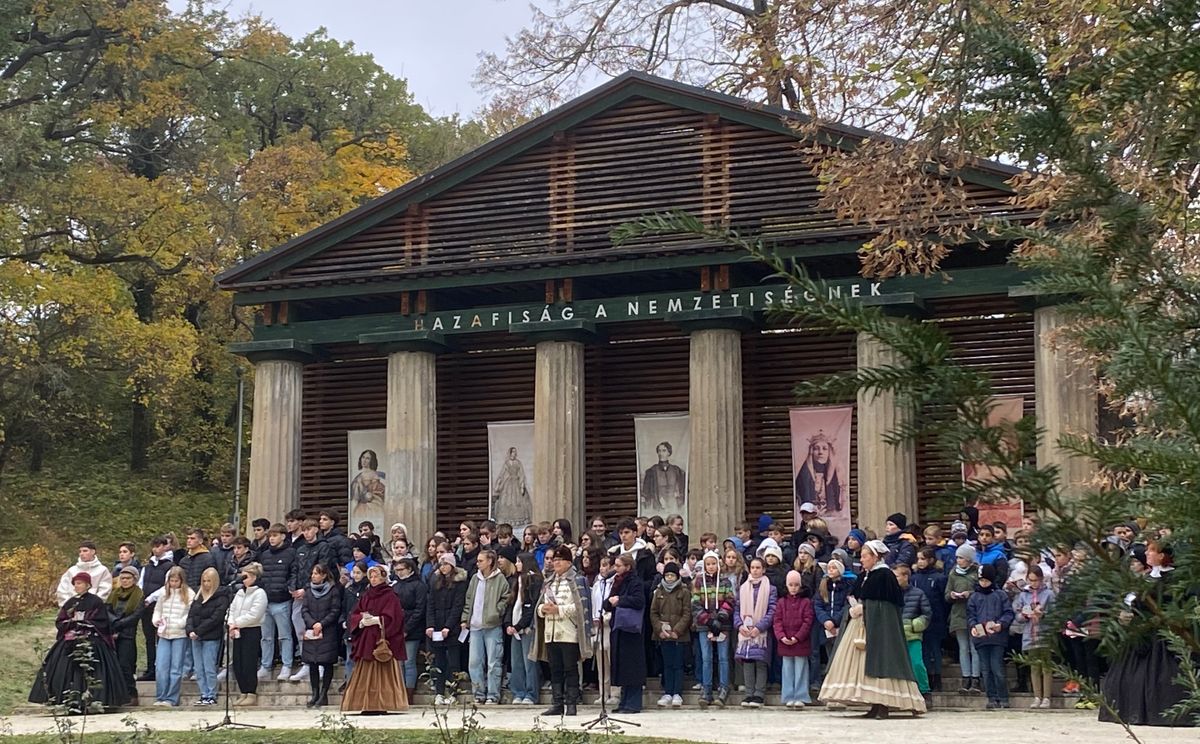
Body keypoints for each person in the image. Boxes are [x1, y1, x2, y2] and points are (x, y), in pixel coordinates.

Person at [819, 540, 926, 719]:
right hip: (862, 625)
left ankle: (884, 704)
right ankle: (874, 704)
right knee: (863, 665)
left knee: (883, 661)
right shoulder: (865, 575)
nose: (861, 560)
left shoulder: (885, 575)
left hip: (881, 628)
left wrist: (866, 607)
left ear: (875, 556)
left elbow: (888, 606)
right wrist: (855, 607)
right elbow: (859, 596)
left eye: (865, 556)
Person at [1099, 540, 1196, 726]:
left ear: (1162, 556)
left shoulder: (1174, 579)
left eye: (1152, 551)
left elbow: (1176, 605)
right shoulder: (1145, 578)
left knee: (1163, 677)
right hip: (1140, 631)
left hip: (1163, 635)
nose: (1147, 554)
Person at [30, 572, 128, 713]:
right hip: (70, 640)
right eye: (75, 583)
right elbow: (60, 620)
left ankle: (96, 701)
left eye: (80, 583)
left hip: (91, 639)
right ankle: (65, 700)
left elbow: (101, 621)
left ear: (88, 585)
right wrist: (71, 623)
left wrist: (84, 622)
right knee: (63, 665)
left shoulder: (96, 601)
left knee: (93, 667)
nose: (77, 586)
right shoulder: (70, 602)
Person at [532, 545, 594, 717]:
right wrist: (542, 610)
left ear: (568, 562)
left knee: (570, 669)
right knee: (555, 670)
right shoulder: (549, 581)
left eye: (559, 560)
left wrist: (558, 610)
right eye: (554, 560)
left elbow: (580, 607)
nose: (556, 563)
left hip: (568, 632)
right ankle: (557, 703)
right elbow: (539, 607)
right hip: (551, 633)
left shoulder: (578, 581)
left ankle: (571, 703)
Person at [343, 563, 408, 714]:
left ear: (383, 577)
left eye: (376, 576)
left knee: (384, 671)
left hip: (382, 640)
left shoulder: (390, 595)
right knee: (365, 670)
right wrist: (361, 620)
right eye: (371, 576)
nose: (373, 579)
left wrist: (379, 620)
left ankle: (385, 703)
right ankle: (365, 703)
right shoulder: (367, 595)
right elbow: (355, 613)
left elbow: (395, 618)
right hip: (367, 638)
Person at [461, 549, 511, 704]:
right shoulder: (475, 579)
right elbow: (469, 600)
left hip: (492, 625)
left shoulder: (500, 579)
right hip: (475, 626)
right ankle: (478, 693)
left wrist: (496, 612)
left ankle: (493, 694)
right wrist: (465, 618)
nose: (478, 563)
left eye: (481, 560)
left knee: (493, 662)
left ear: (490, 561)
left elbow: (505, 597)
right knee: (474, 662)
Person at [967, 564, 1015, 710]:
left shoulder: (1000, 595)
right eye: (981, 581)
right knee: (985, 670)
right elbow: (970, 616)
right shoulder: (974, 597)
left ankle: (1003, 697)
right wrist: (973, 626)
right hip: (981, 639)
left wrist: (1001, 624)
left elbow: (1008, 613)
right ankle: (991, 697)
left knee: (997, 668)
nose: (984, 583)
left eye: (987, 581)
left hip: (997, 638)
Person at [606, 552, 647, 714]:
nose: (615, 569)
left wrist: (620, 600)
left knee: (632, 666)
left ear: (628, 567)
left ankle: (634, 702)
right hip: (618, 627)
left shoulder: (635, 582)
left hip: (631, 630)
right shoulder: (616, 582)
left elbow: (638, 601)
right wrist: (608, 602)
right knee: (622, 666)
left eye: (618, 566)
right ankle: (624, 701)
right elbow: (609, 602)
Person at [257, 523, 299, 682]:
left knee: (284, 635)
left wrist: (289, 587)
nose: (272, 539)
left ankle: (286, 664)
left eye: (275, 535)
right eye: (270, 536)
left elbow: (294, 572)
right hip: (266, 600)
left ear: (282, 536)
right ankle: (265, 665)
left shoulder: (290, 553)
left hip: (282, 600)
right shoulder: (265, 554)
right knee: (266, 636)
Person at [692, 550, 733, 708]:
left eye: (713, 563)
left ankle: (723, 688)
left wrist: (722, 616)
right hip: (705, 625)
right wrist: (707, 620)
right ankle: (706, 690)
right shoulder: (698, 581)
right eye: (708, 564)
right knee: (706, 658)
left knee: (723, 658)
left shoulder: (725, 581)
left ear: (718, 564)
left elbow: (730, 600)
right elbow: (695, 603)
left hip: (723, 625)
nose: (711, 567)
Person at [735, 557, 777, 708]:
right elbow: (737, 609)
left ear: (763, 569)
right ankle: (748, 693)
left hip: (761, 633)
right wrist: (740, 625)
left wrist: (759, 627)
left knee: (760, 662)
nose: (755, 570)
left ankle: (759, 694)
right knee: (747, 662)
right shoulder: (743, 588)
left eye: (758, 567)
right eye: (752, 567)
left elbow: (772, 611)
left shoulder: (770, 588)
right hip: (745, 632)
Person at [426, 552, 468, 705]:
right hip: (437, 625)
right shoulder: (435, 581)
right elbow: (430, 604)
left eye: (446, 564)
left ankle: (453, 691)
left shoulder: (460, 582)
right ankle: (439, 692)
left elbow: (458, 606)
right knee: (439, 661)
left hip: (452, 627)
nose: (443, 567)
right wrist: (430, 625)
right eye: (441, 564)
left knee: (453, 661)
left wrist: (448, 627)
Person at [1012, 564, 1055, 708]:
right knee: (1034, 667)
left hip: (1044, 634)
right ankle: (1037, 696)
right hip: (1029, 634)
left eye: (1036, 580)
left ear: (1041, 579)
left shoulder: (1049, 594)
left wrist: (1043, 615)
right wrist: (1025, 615)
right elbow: (1018, 616)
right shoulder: (1024, 595)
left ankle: (1047, 697)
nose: (1033, 583)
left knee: (1046, 667)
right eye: (1030, 580)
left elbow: (1055, 615)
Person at [186, 567, 231, 707]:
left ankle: (211, 694)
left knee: (209, 667)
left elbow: (215, 618)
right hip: (196, 637)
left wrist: (199, 631)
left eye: (209, 581)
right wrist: (190, 630)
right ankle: (203, 693)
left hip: (210, 636)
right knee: (199, 668)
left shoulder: (221, 597)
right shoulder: (198, 596)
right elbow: (191, 616)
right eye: (204, 581)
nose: (206, 584)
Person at [301, 563, 343, 708]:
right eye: (312, 573)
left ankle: (324, 694)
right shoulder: (308, 591)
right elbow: (304, 609)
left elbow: (335, 610)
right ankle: (315, 693)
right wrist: (312, 624)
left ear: (324, 575)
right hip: (312, 630)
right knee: (312, 662)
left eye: (317, 573)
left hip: (327, 630)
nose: (313, 576)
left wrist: (321, 624)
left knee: (326, 662)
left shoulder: (333, 590)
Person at [649, 561, 690, 708]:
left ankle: (677, 693)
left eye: (672, 575)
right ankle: (667, 692)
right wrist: (660, 630)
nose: (670, 578)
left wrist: (677, 630)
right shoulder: (659, 591)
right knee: (667, 664)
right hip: (664, 634)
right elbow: (653, 613)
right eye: (667, 575)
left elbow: (687, 613)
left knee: (678, 664)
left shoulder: (683, 591)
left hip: (679, 635)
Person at [227, 562, 268, 707]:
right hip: (237, 630)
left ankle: (251, 692)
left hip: (251, 630)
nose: (244, 579)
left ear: (255, 577)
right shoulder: (239, 593)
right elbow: (231, 609)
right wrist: (231, 623)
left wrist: (237, 623)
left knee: (248, 662)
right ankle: (243, 691)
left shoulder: (259, 593)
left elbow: (255, 615)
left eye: (247, 576)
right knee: (237, 662)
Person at [774, 569, 815, 709]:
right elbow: (777, 621)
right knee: (787, 669)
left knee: (801, 668)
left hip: (800, 641)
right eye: (790, 585)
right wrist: (782, 636)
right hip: (785, 641)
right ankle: (788, 695)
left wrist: (797, 637)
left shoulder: (806, 602)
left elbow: (807, 621)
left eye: (796, 585)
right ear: (786, 585)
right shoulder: (781, 602)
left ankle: (801, 695)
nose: (793, 588)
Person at [151, 566, 192, 707]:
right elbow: (158, 609)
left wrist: (180, 623)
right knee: (161, 666)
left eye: (176, 581)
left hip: (179, 634)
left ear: (182, 581)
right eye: (171, 581)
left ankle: (171, 698)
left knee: (176, 668)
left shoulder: (189, 594)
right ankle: (161, 696)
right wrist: (156, 620)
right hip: (164, 634)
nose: (173, 584)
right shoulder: (164, 593)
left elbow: (190, 613)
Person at [911, 547, 949, 692]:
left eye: (923, 559)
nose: (920, 562)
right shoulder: (914, 578)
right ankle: (926, 677)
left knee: (935, 649)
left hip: (936, 619)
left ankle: (937, 677)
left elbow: (943, 600)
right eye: (918, 559)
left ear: (931, 560)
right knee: (924, 651)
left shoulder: (939, 578)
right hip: (919, 619)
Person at [507, 552, 543, 705]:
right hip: (515, 628)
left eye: (519, 561)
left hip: (527, 627)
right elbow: (513, 603)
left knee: (529, 662)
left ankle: (531, 693)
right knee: (517, 662)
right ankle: (518, 691)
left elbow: (530, 606)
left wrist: (520, 625)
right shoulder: (517, 580)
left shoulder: (534, 580)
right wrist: (509, 624)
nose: (517, 564)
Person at [946, 542, 982, 694]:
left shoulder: (977, 572)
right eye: (957, 557)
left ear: (969, 559)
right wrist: (952, 595)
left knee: (974, 648)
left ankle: (976, 678)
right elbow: (946, 594)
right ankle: (965, 677)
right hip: (958, 613)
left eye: (961, 558)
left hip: (974, 613)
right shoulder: (953, 573)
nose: (958, 560)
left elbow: (981, 591)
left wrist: (970, 594)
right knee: (963, 648)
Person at [894, 564, 932, 703]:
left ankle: (924, 691)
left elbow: (927, 614)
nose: (895, 579)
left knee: (916, 664)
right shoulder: (891, 594)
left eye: (897, 576)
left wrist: (915, 625)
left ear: (905, 577)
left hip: (912, 636)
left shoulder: (918, 593)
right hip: (895, 636)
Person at [137, 536, 173, 681]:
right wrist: (141, 597)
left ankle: (162, 669)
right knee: (149, 639)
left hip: (161, 606)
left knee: (161, 638)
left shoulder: (170, 566)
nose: (155, 549)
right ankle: (150, 668)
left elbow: (166, 586)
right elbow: (141, 582)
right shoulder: (148, 566)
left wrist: (151, 597)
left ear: (165, 547)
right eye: (154, 546)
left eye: (159, 546)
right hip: (146, 607)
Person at [107, 566, 144, 705]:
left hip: (127, 634)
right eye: (122, 578)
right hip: (113, 633)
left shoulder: (138, 594)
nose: (125, 581)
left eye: (128, 578)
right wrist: (114, 622)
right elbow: (107, 610)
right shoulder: (114, 593)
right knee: (114, 665)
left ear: (134, 579)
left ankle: (131, 695)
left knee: (125, 665)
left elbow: (136, 615)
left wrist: (120, 623)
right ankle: (117, 695)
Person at [390, 557, 427, 691]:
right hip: (396, 628)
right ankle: (399, 690)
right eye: (397, 570)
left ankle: (409, 691)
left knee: (409, 661)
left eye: (402, 569)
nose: (399, 572)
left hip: (413, 628)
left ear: (410, 569)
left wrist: (407, 628)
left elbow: (420, 609)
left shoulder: (419, 585)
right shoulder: (395, 586)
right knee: (398, 662)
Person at [590, 553, 617, 706]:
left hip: (610, 624)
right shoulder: (597, 583)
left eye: (606, 565)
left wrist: (606, 618)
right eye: (601, 565)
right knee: (601, 661)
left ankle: (614, 692)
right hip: (597, 625)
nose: (603, 568)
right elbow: (594, 603)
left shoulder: (614, 582)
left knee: (611, 659)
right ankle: (603, 692)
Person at [794, 431, 843, 513]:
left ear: (829, 452)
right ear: (811, 452)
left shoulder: (834, 475)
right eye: (816, 449)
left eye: (824, 449)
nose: (820, 452)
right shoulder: (804, 475)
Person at [56, 541, 113, 606]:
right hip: (72, 608)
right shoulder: (72, 571)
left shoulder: (102, 570)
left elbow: (105, 591)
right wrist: (68, 605)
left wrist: (93, 604)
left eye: (85, 551)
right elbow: (63, 590)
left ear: (93, 552)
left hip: (93, 609)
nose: (82, 553)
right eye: (80, 551)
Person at [492, 446, 531, 527]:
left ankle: (518, 520)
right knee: (506, 501)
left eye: (515, 452)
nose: (514, 454)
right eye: (513, 452)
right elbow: (502, 474)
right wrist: (498, 484)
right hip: (508, 484)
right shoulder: (506, 463)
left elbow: (522, 474)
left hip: (516, 483)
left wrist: (522, 485)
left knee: (517, 501)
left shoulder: (518, 463)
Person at [642, 441, 686, 512]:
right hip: (657, 508)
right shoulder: (651, 471)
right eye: (659, 451)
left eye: (664, 451)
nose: (661, 453)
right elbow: (645, 493)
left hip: (674, 507)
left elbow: (682, 490)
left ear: (669, 453)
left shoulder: (677, 470)